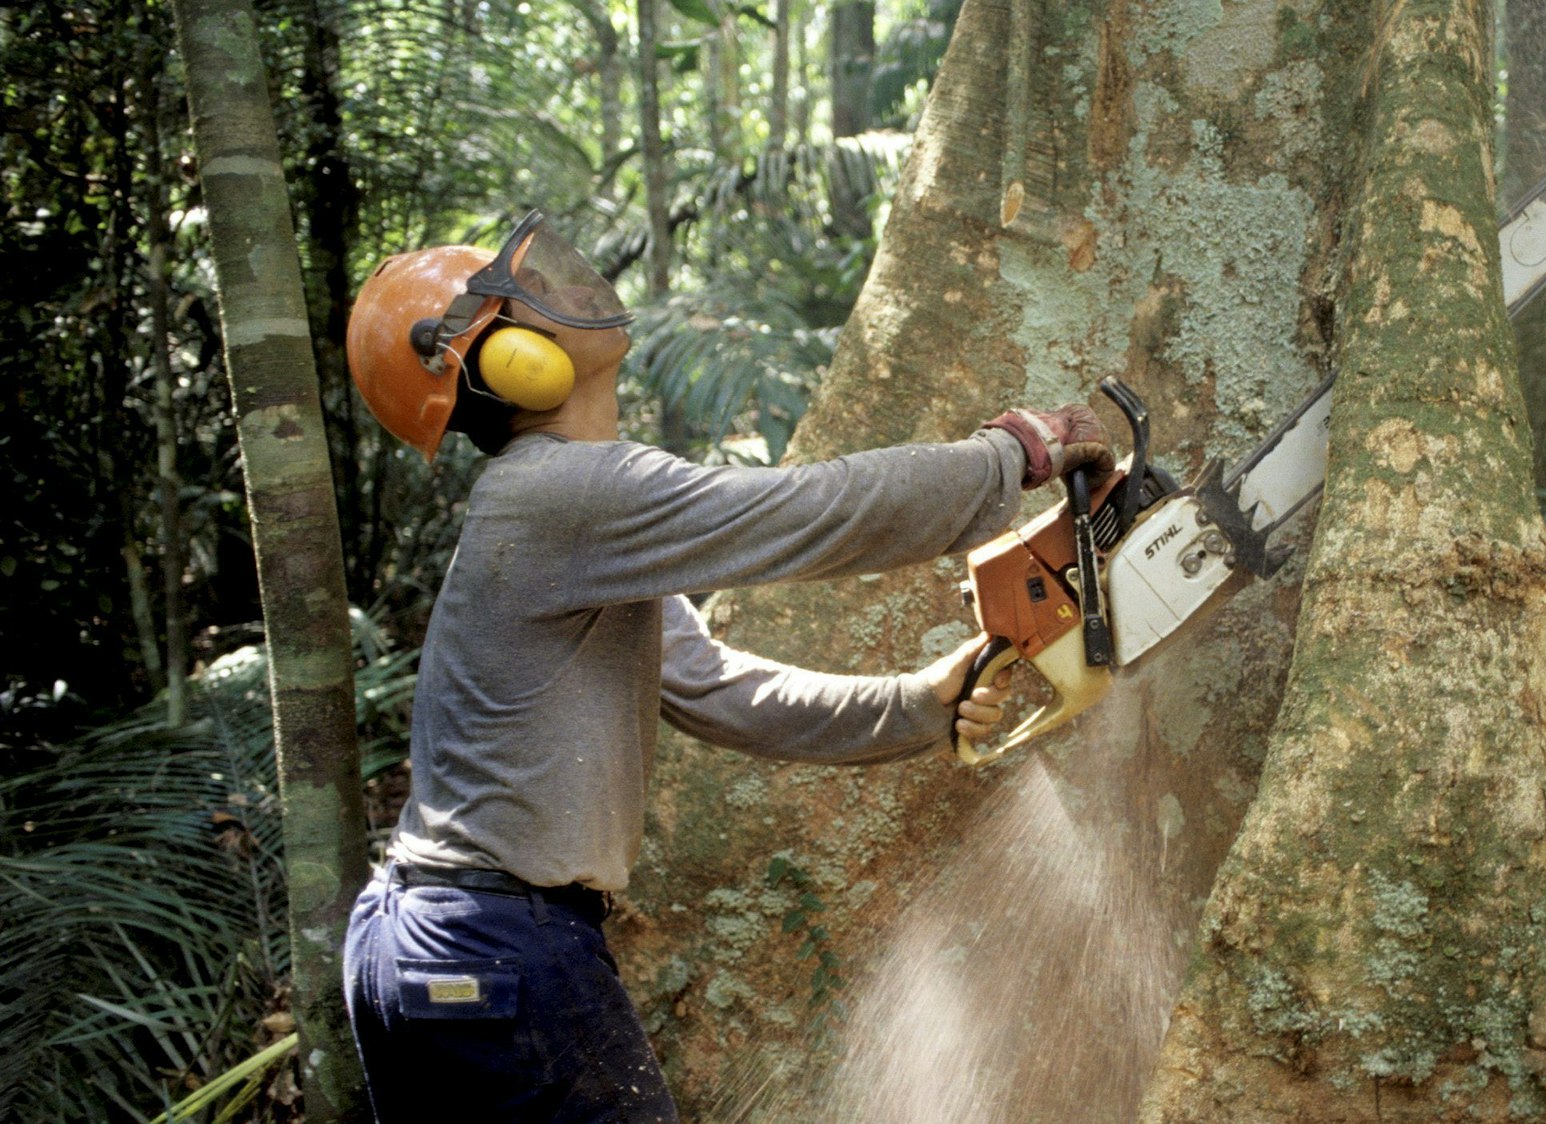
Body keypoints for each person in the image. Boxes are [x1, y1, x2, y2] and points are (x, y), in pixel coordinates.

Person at [337, 210, 1114, 1122]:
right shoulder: (561, 495)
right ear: (509, 364)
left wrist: (912, 707)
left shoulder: (578, 523)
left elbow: (711, 687)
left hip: (428, 946)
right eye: (531, 298)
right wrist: (1009, 456)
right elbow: (804, 512)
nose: (564, 290)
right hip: (499, 943)